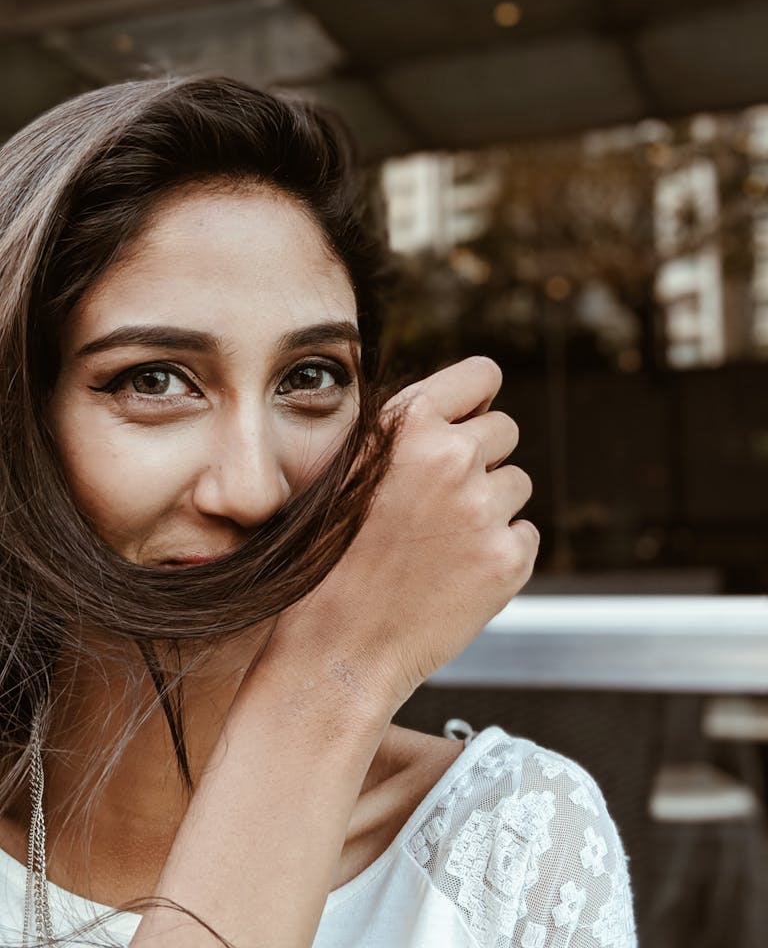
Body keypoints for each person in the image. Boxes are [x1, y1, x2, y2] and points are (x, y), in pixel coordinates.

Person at [0, 76, 636, 948]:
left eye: (310, 377)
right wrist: (332, 683)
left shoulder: (514, 845)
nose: (256, 490)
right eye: (154, 380)